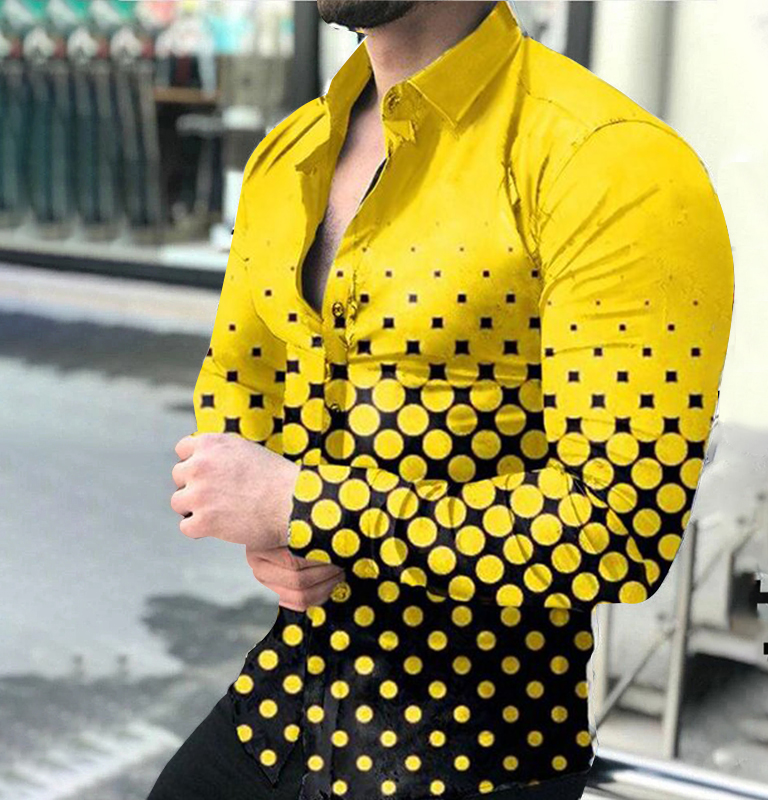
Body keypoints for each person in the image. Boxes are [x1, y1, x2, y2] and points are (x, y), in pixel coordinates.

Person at [151, 1, 735, 799]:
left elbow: (620, 527)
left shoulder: (610, 163)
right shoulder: (289, 153)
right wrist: (271, 531)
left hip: (479, 756)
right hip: (282, 712)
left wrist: (302, 507)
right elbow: (242, 379)